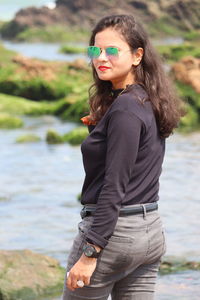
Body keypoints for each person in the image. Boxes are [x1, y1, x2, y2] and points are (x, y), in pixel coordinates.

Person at [61, 14, 184, 300]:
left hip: (113, 236)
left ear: (137, 55)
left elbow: (114, 187)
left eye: (112, 50)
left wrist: (90, 252)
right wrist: (100, 127)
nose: (101, 57)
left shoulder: (126, 110)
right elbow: (139, 162)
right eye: (95, 50)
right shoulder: (147, 100)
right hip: (149, 232)